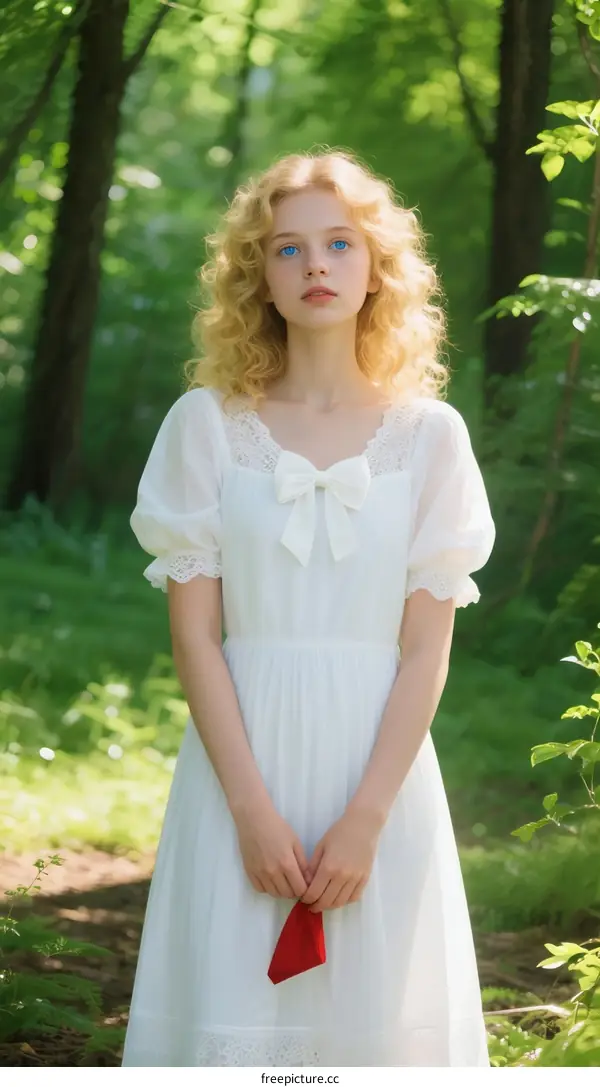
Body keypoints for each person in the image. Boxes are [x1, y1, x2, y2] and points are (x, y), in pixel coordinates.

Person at [121, 148, 496, 1068]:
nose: (316, 265)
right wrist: (249, 810)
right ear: (259, 276)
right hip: (238, 765)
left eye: (338, 243)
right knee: (237, 1004)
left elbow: (425, 650)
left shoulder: (431, 437)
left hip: (380, 769)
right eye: (288, 250)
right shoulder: (205, 423)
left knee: (370, 1020)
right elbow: (197, 636)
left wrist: (367, 816)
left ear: (377, 268)